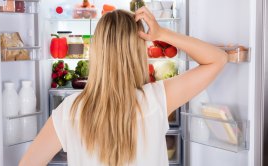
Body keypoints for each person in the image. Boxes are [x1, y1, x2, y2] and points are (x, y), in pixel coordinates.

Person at [19, 7, 227, 166]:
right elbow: (217, 59)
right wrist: (162, 33)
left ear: (98, 51)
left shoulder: (69, 110)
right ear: (138, 51)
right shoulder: (157, 99)